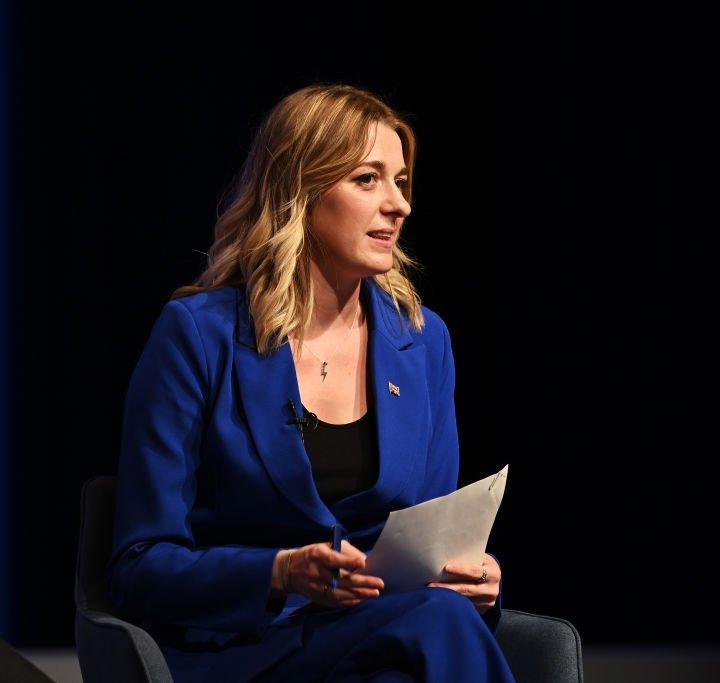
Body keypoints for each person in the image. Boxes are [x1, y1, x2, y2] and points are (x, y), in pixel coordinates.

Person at [106, 83, 514, 682]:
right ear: (301, 189)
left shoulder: (423, 342)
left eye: (401, 181)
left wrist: (476, 579)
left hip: (379, 636)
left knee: (426, 633)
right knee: (436, 623)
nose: (399, 205)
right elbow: (138, 566)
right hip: (247, 650)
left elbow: (436, 537)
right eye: (368, 179)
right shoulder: (198, 336)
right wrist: (278, 571)